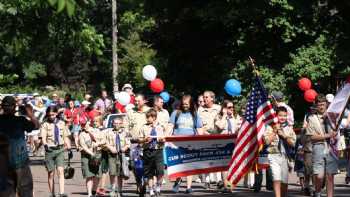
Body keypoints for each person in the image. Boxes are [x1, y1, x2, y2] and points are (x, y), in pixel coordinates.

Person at [0, 96, 39, 197]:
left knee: (6, 192)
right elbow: (36, 125)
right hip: (20, 162)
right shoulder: (20, 120)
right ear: (14, 107)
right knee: (25, 190)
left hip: (3, 164)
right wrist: (31, 115)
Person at [168, 95, 203, 194]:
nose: (185, 106)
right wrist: (166, 136)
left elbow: (199, 129)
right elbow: (170, 126)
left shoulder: (195, 114)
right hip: (177, 144)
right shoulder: (176, 113)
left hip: (191, 144)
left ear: (191, 104)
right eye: (183, 104)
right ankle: (177, 182)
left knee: (189, 164)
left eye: (187, 104)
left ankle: (188, 187)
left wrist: (203, 140)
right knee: (179, 164)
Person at [305, 94, 338, 197]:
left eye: (323, 104)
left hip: (331, 147)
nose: (321, 107)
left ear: (326, 105)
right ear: (316, 105)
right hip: (318, 146)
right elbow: (311, 137)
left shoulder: (333, 116)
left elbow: (338, 131)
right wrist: (327, 135)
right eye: (319, 104)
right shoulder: (311, 118)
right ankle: (318, 192)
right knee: (319, 176)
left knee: (330, 176)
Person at [264, 106, 296, 197]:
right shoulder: (270, 127)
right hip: (273, 155)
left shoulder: (289, 128)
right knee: (276, 178)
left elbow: (293, 143)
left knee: (284, 181)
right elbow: (266, 141)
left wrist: (284, 135)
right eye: (280, 115)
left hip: (285, 156)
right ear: (276, 116)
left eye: (285, 116)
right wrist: (274, 131)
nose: (282, 118)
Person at [40, 106, 72, 197]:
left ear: (56, 114)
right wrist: (45, 144)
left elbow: (65, 136)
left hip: (60, 149)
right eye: (49, 115)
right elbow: (43, 137)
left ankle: (61, 193)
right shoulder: (45, 124)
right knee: (51, 174)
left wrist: (69, 146)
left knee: (60, 171)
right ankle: (52, 193)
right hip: (50, 150)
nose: (51, 116)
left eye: (53, 114)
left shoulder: (62, 123)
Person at [214, 100, 240, 192]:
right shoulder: (219, 117)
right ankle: (226, 186)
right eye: (229, 107)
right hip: (223, 144)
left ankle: (230, 185)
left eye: (232, 107)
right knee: (224, 166)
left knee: (232, 166)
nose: (232, 109)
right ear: (224, 108)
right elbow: (220, 126)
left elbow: (238, 129)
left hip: (233, 143)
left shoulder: (235, 117)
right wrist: (225, 116)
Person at [139, 109, 166, 197]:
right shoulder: (143, 127)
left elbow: (165, 138)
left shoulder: (160, 127)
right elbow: (140, 141)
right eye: (146, 117)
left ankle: (158, 186)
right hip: (148, 151)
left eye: (148, 117)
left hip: (158, 150)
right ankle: (151, 190)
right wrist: (145, 140)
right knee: (149, 172)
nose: (147, 119)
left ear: (154, 117)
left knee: (160, 171)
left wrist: (162, 139)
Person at [197, 91, 221, 188]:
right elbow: (198, 125)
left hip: (217, 136)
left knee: (218, 158)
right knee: (207, 158)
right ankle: (207, 180)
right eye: (204, 97)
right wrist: (203, 132)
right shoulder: (200, 109)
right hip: (205, 137)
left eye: (207, 97)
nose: (205, 99)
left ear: (212, 98)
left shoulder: (218, 108)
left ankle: (219, 179)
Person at [79, 118, 105, 197]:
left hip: (98, 155)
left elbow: (104, 140)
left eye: (85, 124)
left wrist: (98, 143)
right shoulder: (82, 134)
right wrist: (91, 154)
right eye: (82, 124)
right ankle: (89, 194)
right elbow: (84, 146)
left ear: (88, 122)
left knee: (97, 175)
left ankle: (94, 191)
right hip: (87, 156)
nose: (84, 126)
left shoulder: (96, 131)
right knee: (89, 176)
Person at [105, 117, 131, 197]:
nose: (117, 125)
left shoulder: (125, 133)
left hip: (121, 155)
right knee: (112, 173)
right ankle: (112, 189)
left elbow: (128, 144)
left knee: (120, 173)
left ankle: (120, 190)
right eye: (115, 123)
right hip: (112, 155)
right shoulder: (109, 132)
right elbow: (105, 142)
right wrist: (110, 148)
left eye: (119, 123)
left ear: (121, 124)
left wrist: (124, 148)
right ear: (113, 124)